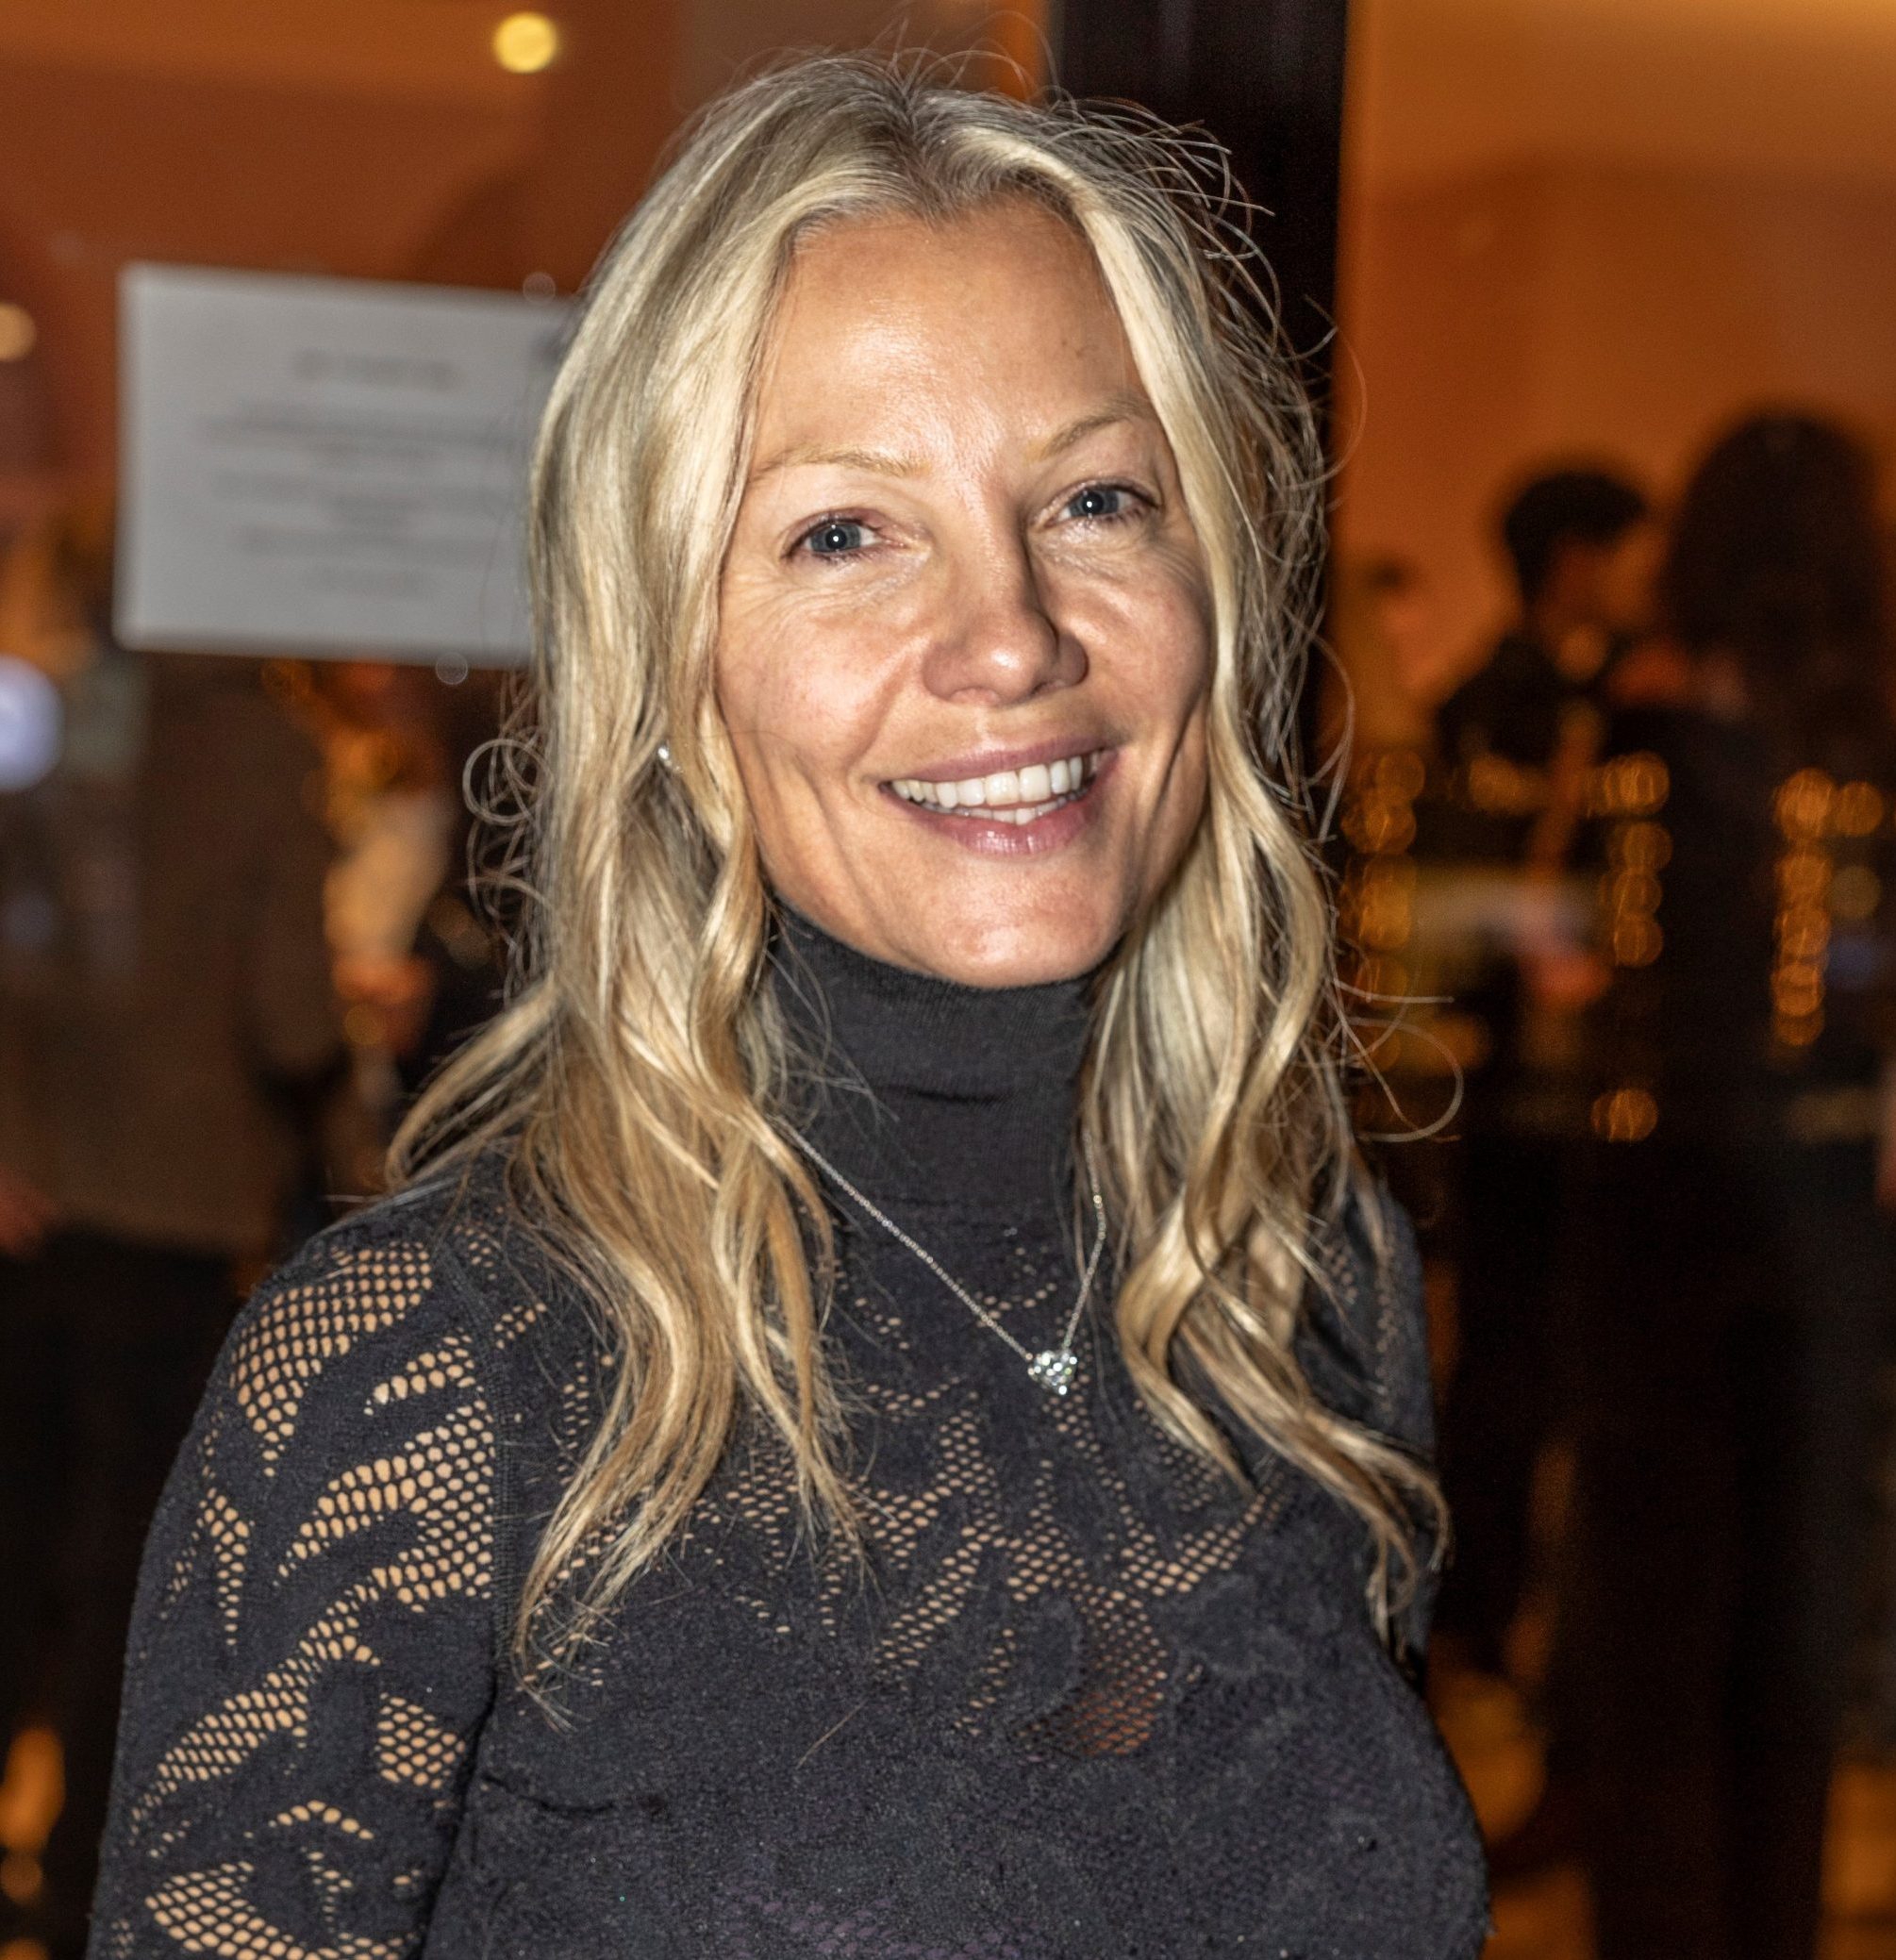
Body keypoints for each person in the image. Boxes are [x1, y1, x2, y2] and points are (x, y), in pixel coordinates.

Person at [88, 58, 1489, 1959]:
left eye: (1094, 498)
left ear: (1217, 586)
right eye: (845, 532)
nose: (1012, 635)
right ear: (672, 664)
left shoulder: (1300, 1276)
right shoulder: (436, 1372)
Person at [1566, 412, 1896, 1960]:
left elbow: (1576, 954)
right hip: (1823, 1197)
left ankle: (1658, 1919)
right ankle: (1768, 1923)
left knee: (1653, 1597)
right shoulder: (1865, 732)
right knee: (1794, 1602)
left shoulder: (1644, 718)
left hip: (1657, 1183)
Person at [0, 633, 343, 1959]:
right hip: (175, 1205)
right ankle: (77, 1883)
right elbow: (288, 1006)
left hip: (34, 1201)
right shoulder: (262, 750)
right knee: (128, 1577)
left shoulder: (49, 720)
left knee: (22, 1542)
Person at [1423, 466, 1655, 1680]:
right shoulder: (1524, 708)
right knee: (1517, 1357)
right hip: (1534, 1084)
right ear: (1577, 559)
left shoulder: (1508, 699)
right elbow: (1485, 912)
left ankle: (1508, 1622)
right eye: (1631, 551)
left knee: (1526, 1357)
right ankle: (1486, 1618)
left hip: (1541, 1086)